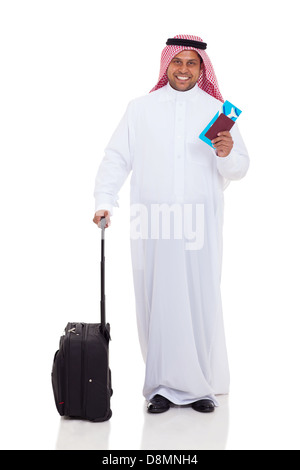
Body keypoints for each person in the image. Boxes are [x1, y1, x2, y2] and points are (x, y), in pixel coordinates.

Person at [93, 34, 249, 414]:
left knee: (200, 299)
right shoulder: (140, 109)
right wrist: (104, 201)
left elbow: (239, 168)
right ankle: (161, 386)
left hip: (201, 226)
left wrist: (227, 154)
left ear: (201, 68)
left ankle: (199, 388)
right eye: (176, 62)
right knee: (157, 300)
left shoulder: (218, 111)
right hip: (153, 224)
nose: (183, 69)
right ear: (166, 65)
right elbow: (116, 157)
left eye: (191, 63)